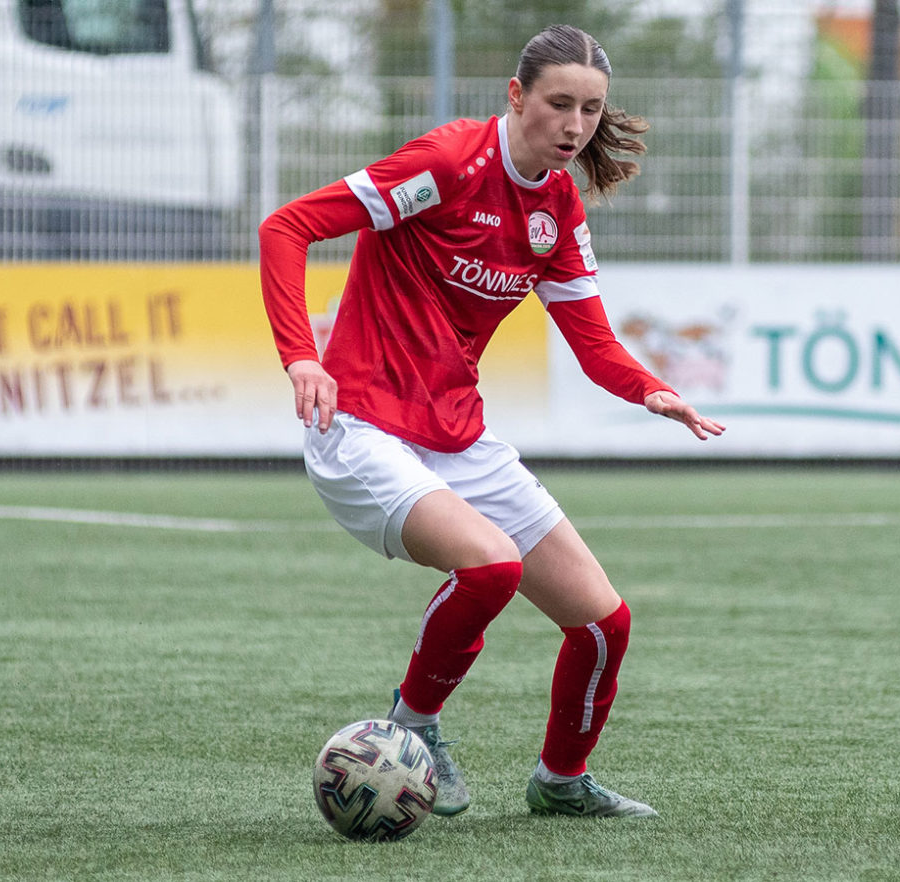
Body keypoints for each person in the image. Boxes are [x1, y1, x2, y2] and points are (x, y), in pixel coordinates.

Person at [258, 24, 724, 820]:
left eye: (590, 109)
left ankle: (561, 781)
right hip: (362, 427)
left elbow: (594, 340)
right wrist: (304, 355)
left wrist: (651, 391)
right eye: (559, 105)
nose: (575, 126)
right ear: (517, 97)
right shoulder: (447, 164)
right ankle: (414, 724)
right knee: (490, 566)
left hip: (457, 436)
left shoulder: (558, 202)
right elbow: (287, 227)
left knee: (605, 623)